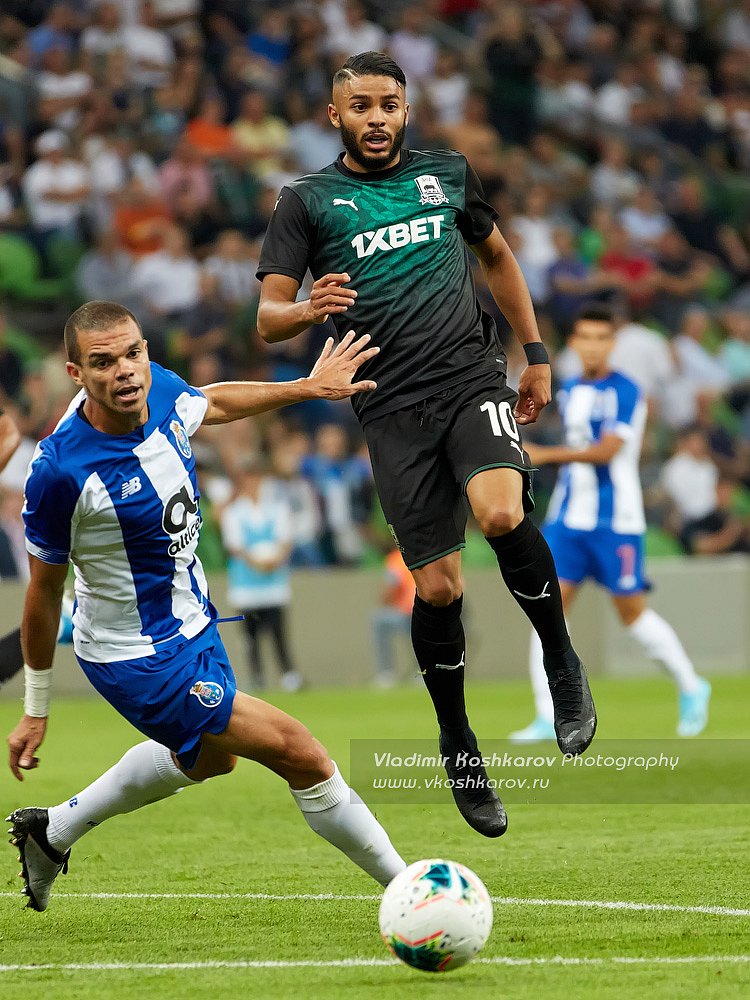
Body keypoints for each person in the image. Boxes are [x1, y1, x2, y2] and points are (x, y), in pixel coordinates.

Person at [255, 51, 595, 840]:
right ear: (333, 116)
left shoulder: (447, 172)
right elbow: (268, 318)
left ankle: (562, 660)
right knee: (438, 590)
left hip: (470, 377)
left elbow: (498, 258)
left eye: (390, 104)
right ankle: (459, 741)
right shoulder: (307, 200)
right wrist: (310, 311)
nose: (378, 118)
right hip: (388, 406)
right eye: (362, 105)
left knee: (502, 511)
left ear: (407, 111)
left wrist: (535, 353)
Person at [6, 300, 406, 912]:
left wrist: (303, 387)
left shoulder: (158, 389)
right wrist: (36, 705)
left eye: (133, 353)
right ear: (74, 373)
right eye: (103, 362)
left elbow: (210, 403)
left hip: (195, 627)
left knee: (212, 761)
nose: (126, 372)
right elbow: (42, 591)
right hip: (135, 656)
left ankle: (53, 829)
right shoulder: (61, 473)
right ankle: (410, 891)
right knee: (300, 752)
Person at [511, 304, 711, 743]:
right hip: (568, 519)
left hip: (615, 520)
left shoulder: (627, 390)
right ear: (576, 343)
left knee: (632, 616)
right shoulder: (574, 390)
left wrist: (545, 456)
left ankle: (692, 686)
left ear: (612, 344)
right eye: (586, 337)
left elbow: (607, 452)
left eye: (602, 338)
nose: (594, 346)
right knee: (546, 611)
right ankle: (549, 715)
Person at [220, 454, 302, 692]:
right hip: (246, 585)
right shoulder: (234, 512)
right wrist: (255, 562)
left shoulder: (276, 508)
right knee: (251, 636)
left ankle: (289, 675)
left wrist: (275, 559)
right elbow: (234, 546)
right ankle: (257, 677)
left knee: (279, 632)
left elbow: (285, 541)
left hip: (274, 583)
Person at [371, 545, 417, 688]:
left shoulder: (396, 559)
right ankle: (424, 673)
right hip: (434, 611)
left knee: (378, 621)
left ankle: (386, 673)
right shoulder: (422, 551)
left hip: (409, 613)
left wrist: (383, 602)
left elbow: (392, 587)